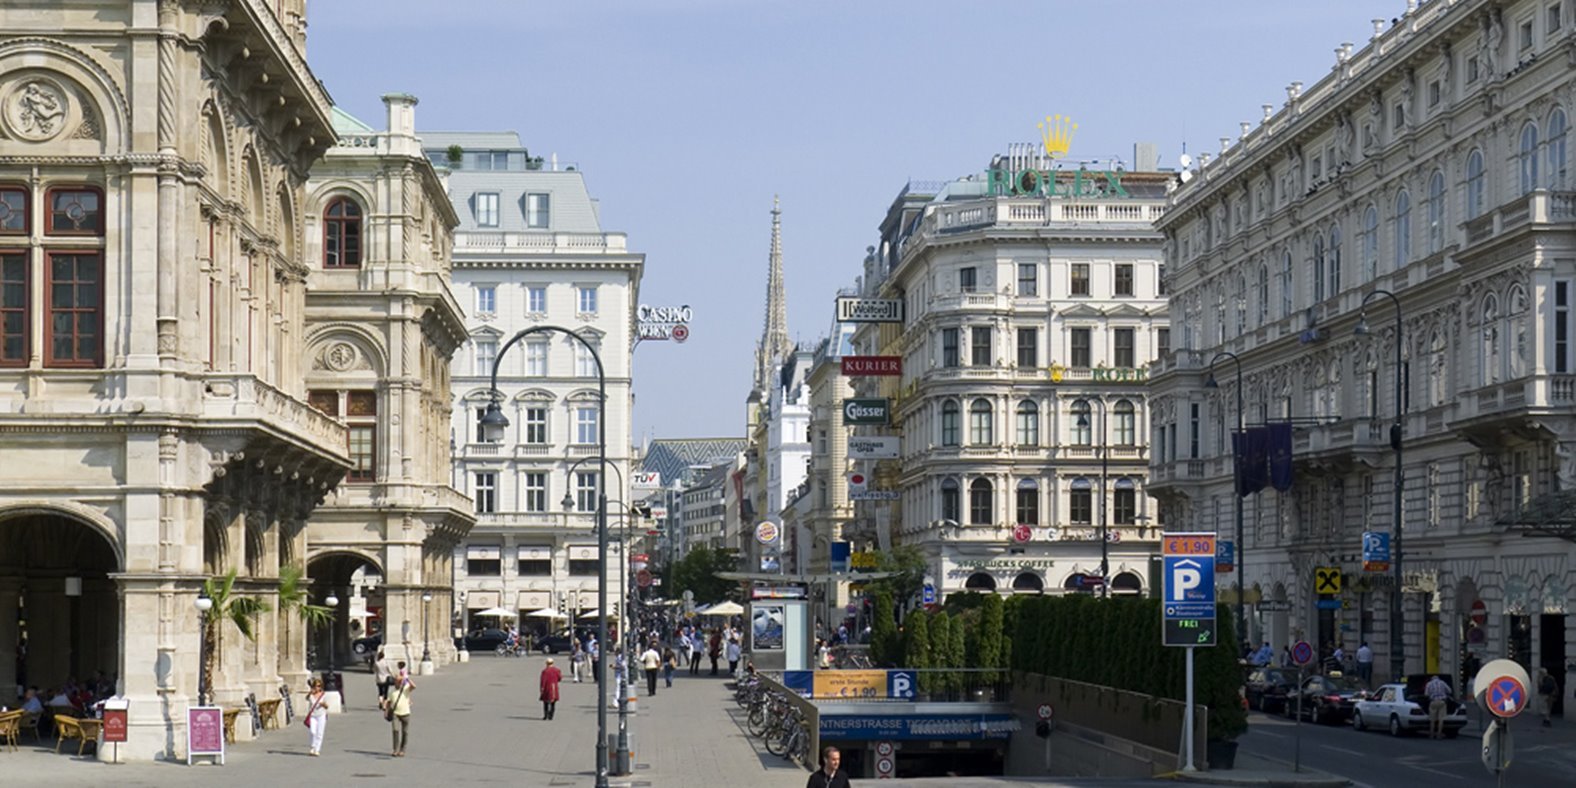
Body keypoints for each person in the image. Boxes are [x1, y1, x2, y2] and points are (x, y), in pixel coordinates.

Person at [388, 663, 413, 757]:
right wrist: (386, 711)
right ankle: (395, 749)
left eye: (399, 682)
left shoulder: (405, 689)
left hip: (406, 713)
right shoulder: (392, 691)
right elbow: (389, 702)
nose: (397, 683)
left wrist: (407, 679)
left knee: (405, 732)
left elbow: (414, 686)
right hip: (395, 713)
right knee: (395, 730)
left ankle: (402, 750)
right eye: (396, 682)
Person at [304, 677, 328, 756]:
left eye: (319, 686)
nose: (318, 688)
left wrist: (323, 704)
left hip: (321, 715)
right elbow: (306, 698)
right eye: (316, 686)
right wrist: (310, 693)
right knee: (312, 731)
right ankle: (312, 746)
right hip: (313, 715)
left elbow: (327, 706)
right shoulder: (311, 695)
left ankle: (317, 749)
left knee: (320, 733)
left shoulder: (323, 695)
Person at [1424, 674, 1451, 740]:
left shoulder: (1429, 684)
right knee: (1441, 719)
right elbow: (1449, 691)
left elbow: (1426, 694)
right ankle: (1439, 734)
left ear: (1431, 679)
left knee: (1432, 719)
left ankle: (1432, 734)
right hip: (1442, 702)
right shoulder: (1442, 683)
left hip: (1433, 702)